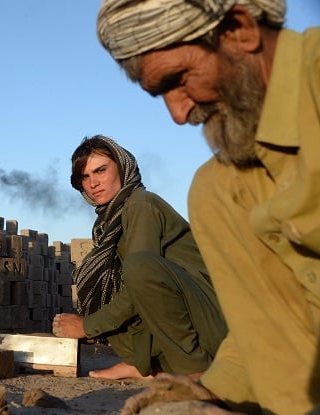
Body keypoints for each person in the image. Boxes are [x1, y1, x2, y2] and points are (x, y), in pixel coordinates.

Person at [95, 1, 320, 414]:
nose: (180, 113)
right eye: (160, 95)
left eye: (179, 79)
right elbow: (267, 324)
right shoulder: (220, 189)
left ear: (239, 30)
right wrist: (213, 391)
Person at [52, 135, 227, 381]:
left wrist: (86, 326)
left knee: (137, 268)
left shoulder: (140, 204)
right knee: (101, 278)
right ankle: (144, 363)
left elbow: (141, 276)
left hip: (211, 319)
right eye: (85, 176)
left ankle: (194, 368)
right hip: (186, 317)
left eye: (101, 171)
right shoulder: (110, 221)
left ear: (122, 168)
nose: (93, 183)